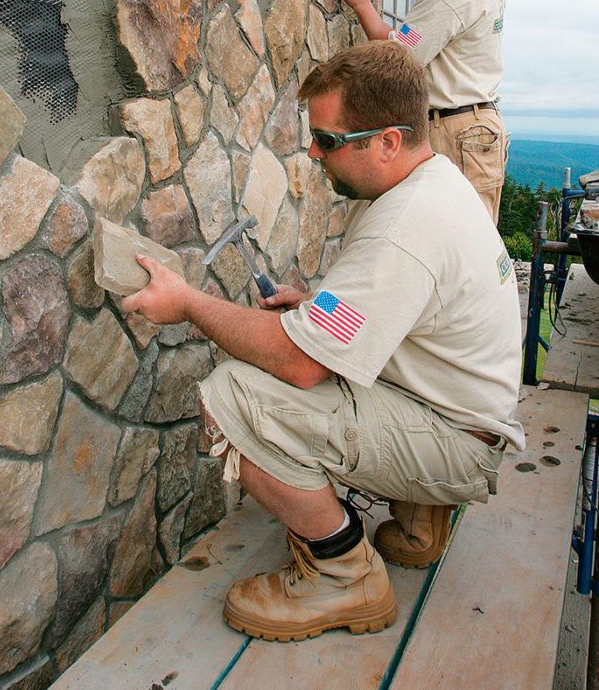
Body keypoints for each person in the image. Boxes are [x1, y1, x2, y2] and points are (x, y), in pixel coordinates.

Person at [122, 41, 524, 643]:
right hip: (466, 414)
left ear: (388, 141)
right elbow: (397, 310)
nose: (312, 151)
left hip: (455, 443)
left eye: (328, 140)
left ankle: (343, 574)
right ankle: (421, 519)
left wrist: (186, 303)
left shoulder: (405, 228)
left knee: (234, 398)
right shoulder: (432, 180)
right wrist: (313, 308)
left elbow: (301, 364)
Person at [330, 0, 508, 223]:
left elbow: (398, 56)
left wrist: (362, 4)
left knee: (454, 236)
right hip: (472, 126)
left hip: (457, 132)